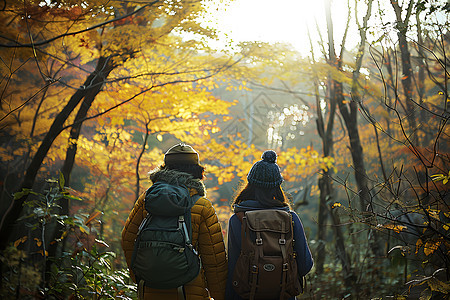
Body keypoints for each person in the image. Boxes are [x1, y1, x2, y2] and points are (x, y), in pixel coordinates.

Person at [121, 143, 227, 300]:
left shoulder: (147, 200)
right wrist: (220, 295)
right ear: (198, 171)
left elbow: (127, 239)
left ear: (164, 168)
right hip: (188, 292)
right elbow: (214, 260)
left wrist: (140, 276)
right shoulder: (202, 206)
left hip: (149, 290)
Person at [225, 150, 313, 300]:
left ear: (250, 184)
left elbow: (233, 267)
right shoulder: (291, 219)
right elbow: (305, 265)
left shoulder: (237, 219)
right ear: (277, 186)